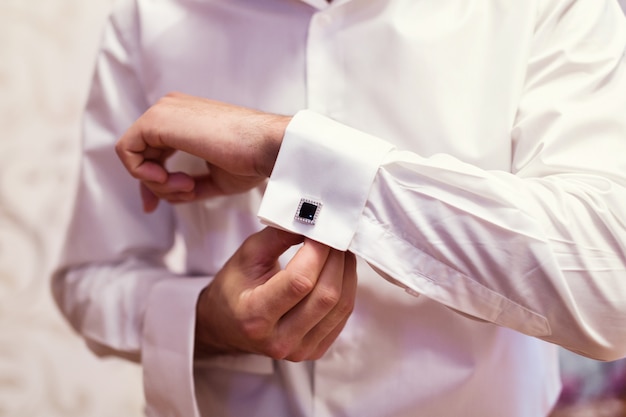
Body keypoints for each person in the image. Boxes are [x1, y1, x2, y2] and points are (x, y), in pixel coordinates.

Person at [52, 0, 626, 416]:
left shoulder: (549, 8)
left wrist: (285, 151)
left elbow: (611, 283)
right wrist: (208, 323)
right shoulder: (146, 19)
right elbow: (91, 276)